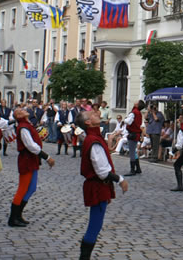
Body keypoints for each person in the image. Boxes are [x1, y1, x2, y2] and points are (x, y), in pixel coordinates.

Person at [75, 110, 128, 260]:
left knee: (95, 225)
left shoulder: (94, 138)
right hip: (97, 187)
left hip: (100, 186)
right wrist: (120, 180)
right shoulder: (93, 140)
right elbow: (102, 171)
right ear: (88, 122)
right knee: (94, 226)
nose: (97, 113)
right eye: (92, 114)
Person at [8, 107, 55, 227]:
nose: (24, 110)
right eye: (20, 110)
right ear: (19, 116)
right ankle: (13, 218)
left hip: (31, 159)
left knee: (32, 188)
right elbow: (30, 145)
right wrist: (47, 157)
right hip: (26, 160)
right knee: (22, 189)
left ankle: (19, 214)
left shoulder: (27, 125)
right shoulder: (23, 127)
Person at [122, 100, 144, 176]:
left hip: (133, 134)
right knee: (134, 151)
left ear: (137, 105)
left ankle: (132, 170)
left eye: (136, 102)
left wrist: (124, 120)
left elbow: (129, 122)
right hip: (136, 133)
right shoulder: (139, 113)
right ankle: (138, 168)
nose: (135, 102)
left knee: (131, 152)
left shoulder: (134, 112)